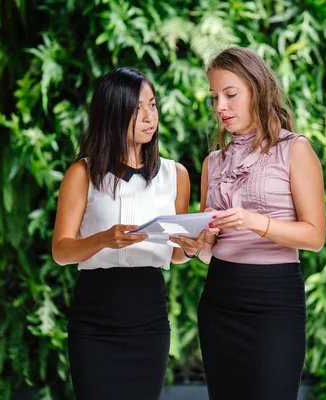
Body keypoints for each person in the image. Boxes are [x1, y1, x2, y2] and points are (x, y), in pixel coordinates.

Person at [51, 67, 205, 400]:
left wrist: (191, 248)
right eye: (138, 108)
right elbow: (61, 252)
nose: (150, 116)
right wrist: (103, 239)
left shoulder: (174, 175)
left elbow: (177, 254)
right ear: (113, 113)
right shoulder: (82, 173)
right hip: (94, 320)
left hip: (149, 318)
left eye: (153, 105)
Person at [196, 47, 326, 400]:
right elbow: (209, 251)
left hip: (274, 301)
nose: (220, 106)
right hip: (219, 297)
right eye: (214, 97)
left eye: (230, 94)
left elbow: (315, 237)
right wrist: (200, 244)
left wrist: (254, 222)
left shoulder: (295, 149)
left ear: (258, 89)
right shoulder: (212, 162)